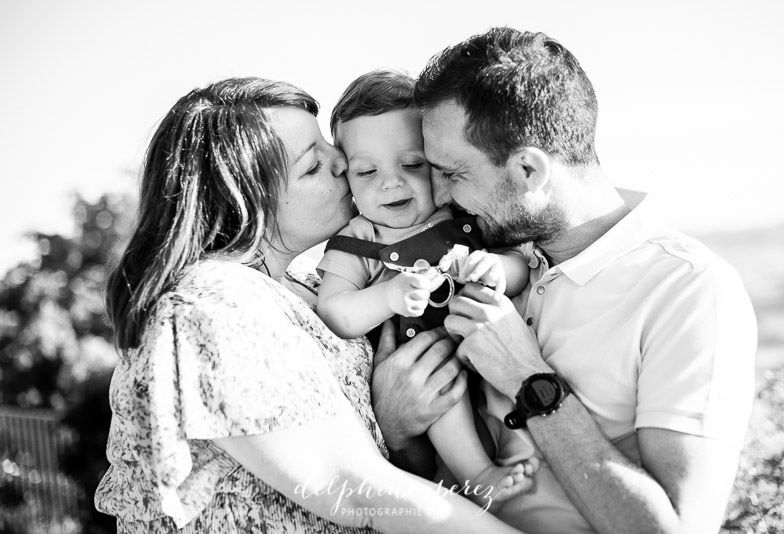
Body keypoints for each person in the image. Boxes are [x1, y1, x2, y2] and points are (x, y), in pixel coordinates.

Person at [93, 76, 525, 533]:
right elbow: (360, 491)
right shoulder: (212, 306)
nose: (342, 162)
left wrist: (394, 427)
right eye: (312, 166)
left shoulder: (300, 290)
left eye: (328, 147)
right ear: (249, 200)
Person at [375, 27, 757, 533]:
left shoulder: (690, 290)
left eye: (454, 173)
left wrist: (528, 379)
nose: (440, 195)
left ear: (529, 169)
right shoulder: (484, 260)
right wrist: (399, 433)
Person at [316, 69, 534, 510]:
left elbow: (522, 267)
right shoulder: (359, 240)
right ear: (348, 178)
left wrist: (496, 268)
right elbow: (334, 311)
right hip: (423, 362)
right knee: (442, 393)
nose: (389, 182)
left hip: (490, 352)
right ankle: (478, 473)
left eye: (412, 165)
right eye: (366, 171)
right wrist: (387, 297)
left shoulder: (463, 213)